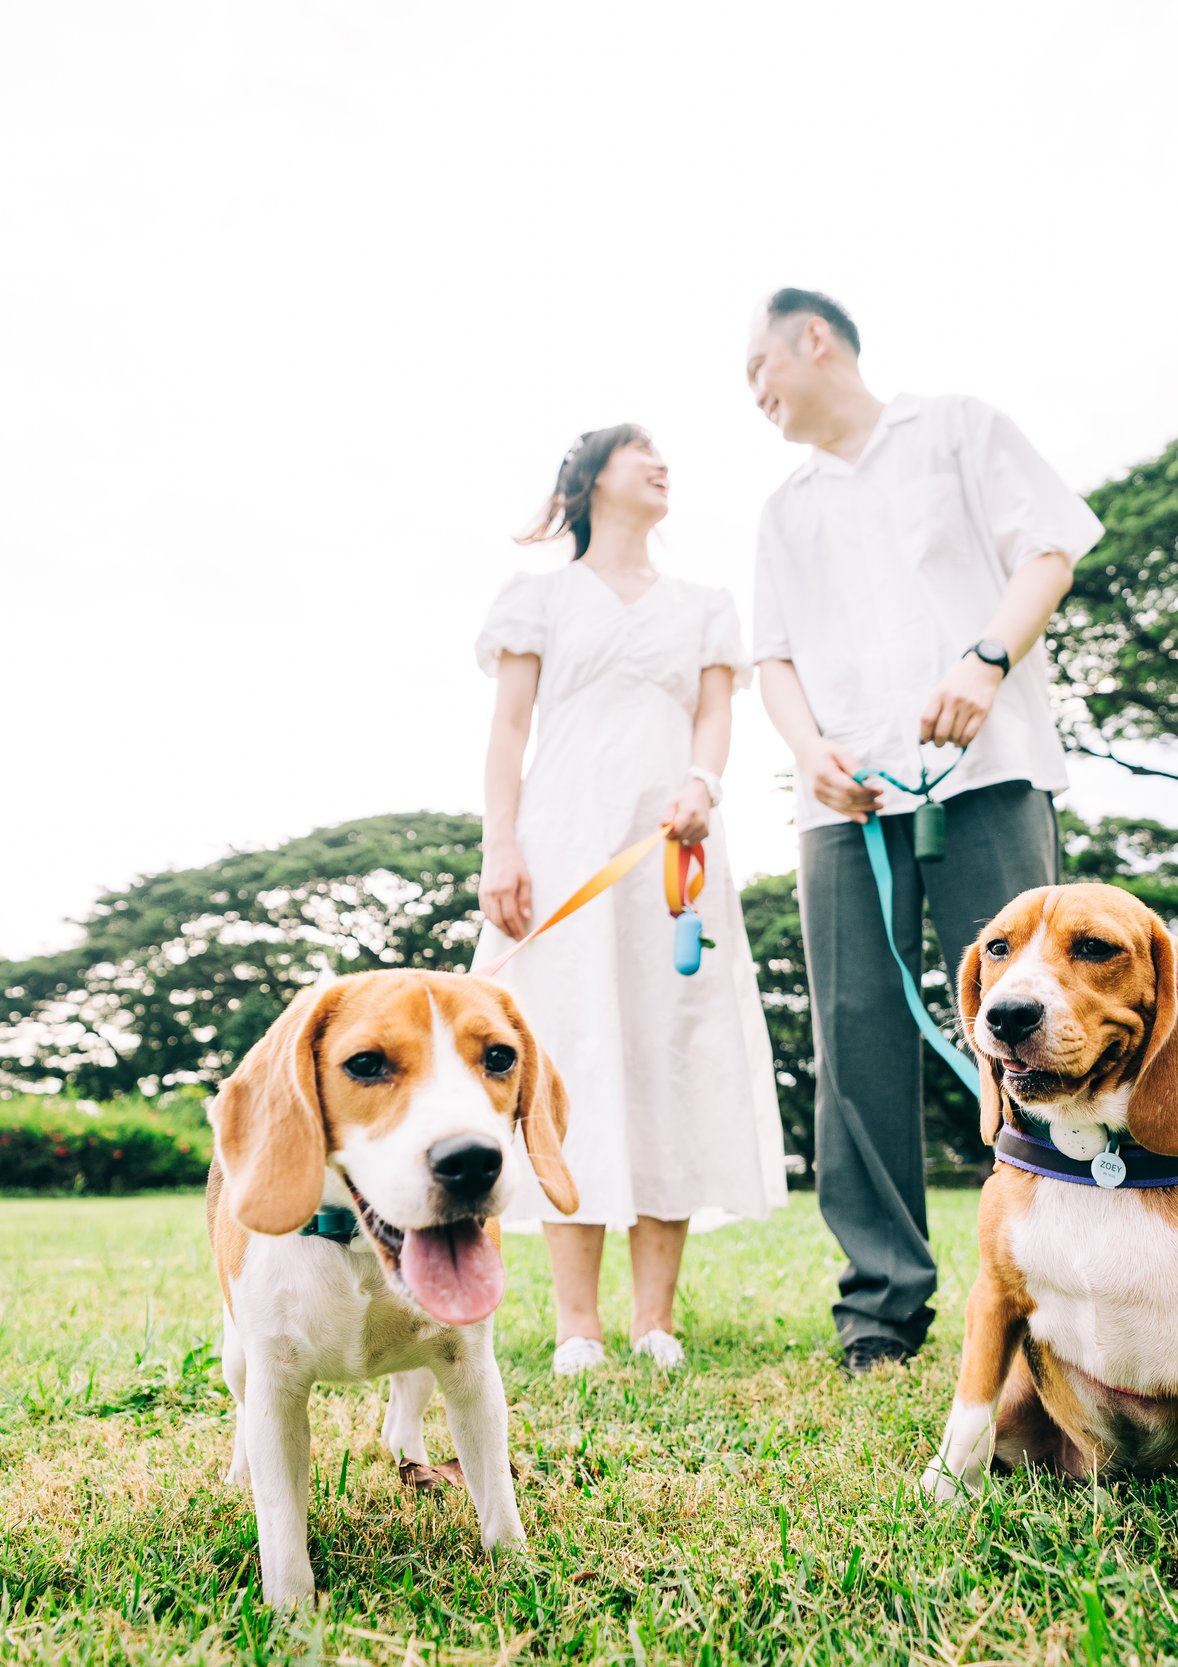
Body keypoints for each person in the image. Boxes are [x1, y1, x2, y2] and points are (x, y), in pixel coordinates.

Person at [745, 288, 1103, 1373]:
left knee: (1038, 1023)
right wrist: (808, 751)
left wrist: (983, 660)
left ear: (815, 338)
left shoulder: (956, 427)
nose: (755, 393)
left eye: (756, 365)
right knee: (854, 1043)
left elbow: (1050, 547)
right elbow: (775, 658)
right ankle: (879, 1310)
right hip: (844, 806)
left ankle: (1063, 1284)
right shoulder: (784, 507)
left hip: (988, 772)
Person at [473, 424, 789, 1376]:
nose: (662, 463)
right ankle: (579, 1322)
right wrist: (501, 844)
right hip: (563, 842)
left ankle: (657, 1319)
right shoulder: (538, 597)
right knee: (568, 1052)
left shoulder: (702, 604)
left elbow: (715, 712)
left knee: (668, 1049)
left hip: (672, 853)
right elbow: (509, 730)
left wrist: (704, 779)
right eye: (638, 451)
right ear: (590, 477)